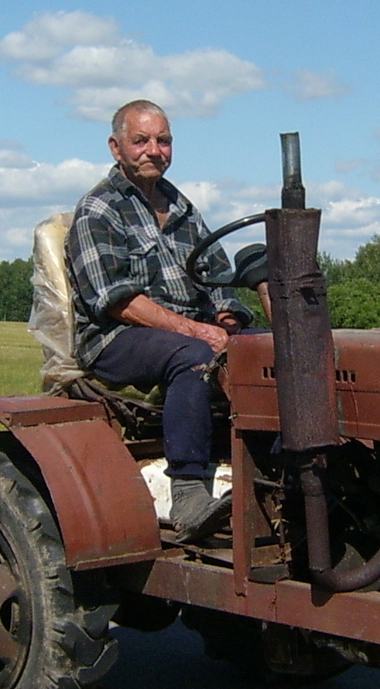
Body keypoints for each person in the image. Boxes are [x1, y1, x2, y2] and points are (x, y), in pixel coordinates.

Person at [66, 99, 250, 543]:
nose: (154, 150)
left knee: (271, 349)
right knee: (192, 355)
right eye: (141, 140)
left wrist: (228, 321)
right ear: (116, 148)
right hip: (116, 338)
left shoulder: (181, 207)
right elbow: (120, 302)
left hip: (189, 331)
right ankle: (187, 492)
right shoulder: (99, 209)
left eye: (163, 140)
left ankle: (281, 472)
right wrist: (199, 331)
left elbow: (218, 277)